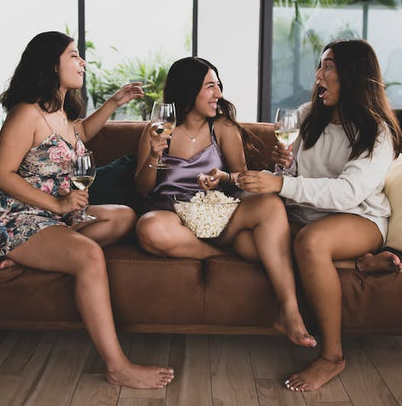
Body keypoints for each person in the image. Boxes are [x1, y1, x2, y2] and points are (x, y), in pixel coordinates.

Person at [0, 31, 174, 389]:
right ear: (52, 64)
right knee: (89, 256)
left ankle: (27, 257)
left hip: (53, 219)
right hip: (17, 218)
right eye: (74, 56)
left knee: (124, 216)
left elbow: (80, 133)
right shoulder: (26, 114)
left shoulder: (61, 114)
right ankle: (117, 365)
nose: (83, 62)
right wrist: (57, 203)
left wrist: (115, 101)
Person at [237, 39, 402, 392]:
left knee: (312, 242)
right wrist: (282, 170)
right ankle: (357, 264)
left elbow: (346, 194)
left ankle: (332, 356)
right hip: (307, 213)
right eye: (320, 66)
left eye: (328, 67)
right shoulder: (307, 116)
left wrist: (280, 186)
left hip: (358, 217)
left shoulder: (377, 132)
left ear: (353, 76)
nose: (318, 76)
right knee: (250, 242)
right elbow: (296, 178)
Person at [134, 56, 313, 348]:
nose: (218, 94)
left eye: (218, 86)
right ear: (188, 89)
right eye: (209, 86)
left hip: (218, 214)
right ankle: (221, 254)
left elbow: (241, 178)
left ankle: (290, 310)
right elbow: (142, 190)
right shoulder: (159, 128)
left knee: (270, 204)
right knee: (149, 228)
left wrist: (223, 178)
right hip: (172, 216)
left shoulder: (224, 128)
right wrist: (154, 157)